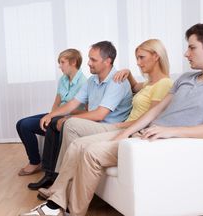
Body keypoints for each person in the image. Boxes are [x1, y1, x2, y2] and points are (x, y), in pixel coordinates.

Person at [18, 22, 203, 216]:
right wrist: (123, 133)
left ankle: (69, 210)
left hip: (161, 140)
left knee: (91, 152)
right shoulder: (186, 79)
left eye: (191, 47)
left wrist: (170, 132)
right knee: (79, 144)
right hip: (144, 132)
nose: (186, 53)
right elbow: (154, 111)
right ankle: (56, 201)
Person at [52, 39, 173, 175]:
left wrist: (122, 126)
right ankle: (63, 176)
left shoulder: (164, 84)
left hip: (127, 128)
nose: (138, 62)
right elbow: (134, 87)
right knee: (64, 124)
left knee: (70, 124)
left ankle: (63, 176)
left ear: (156, 56)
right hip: (123, 126)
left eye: (141, 57)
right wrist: (128, 73)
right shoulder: (149, 83)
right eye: (137, 58)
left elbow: (151, 119)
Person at [27, 41, 132, 190]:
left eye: (93, 60)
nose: (88, 63)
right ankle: (51, 175)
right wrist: (51, 114)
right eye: (89, 59)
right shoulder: (92, 81)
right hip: (95, 124)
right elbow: (72, 103)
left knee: (68, 124)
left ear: (107, 61)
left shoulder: (117, 81)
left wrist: (69, 118)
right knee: (54, 122)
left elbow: (100, 114)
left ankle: (65, 183)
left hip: (108, 127)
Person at [16, 49, 87, 176]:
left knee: (26, 126)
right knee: (20, 123)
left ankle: (35, 162)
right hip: (57, 115)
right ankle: (36, 160)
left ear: (73, 62)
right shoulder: (63, 80)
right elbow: (57, 102)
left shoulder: (84, 82)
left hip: (69, 118)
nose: (59, 66)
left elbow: (85, 110)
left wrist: (60, 115)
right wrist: (51, 115)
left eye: (62, 62)